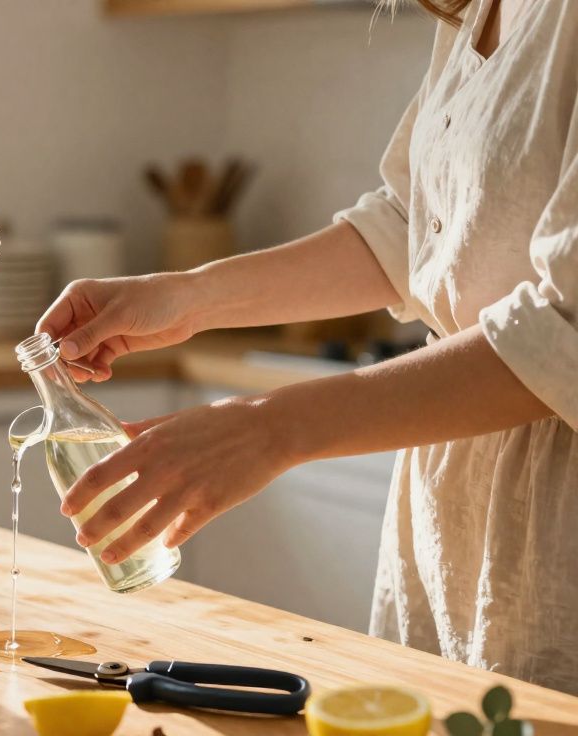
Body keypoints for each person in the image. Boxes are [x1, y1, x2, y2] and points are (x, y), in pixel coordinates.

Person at [36, 0, 578, 694]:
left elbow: (565, 332)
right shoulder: (470, 9)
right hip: (453, 520)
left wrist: (271, 427)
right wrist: (188, 294)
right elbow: (410, 224)